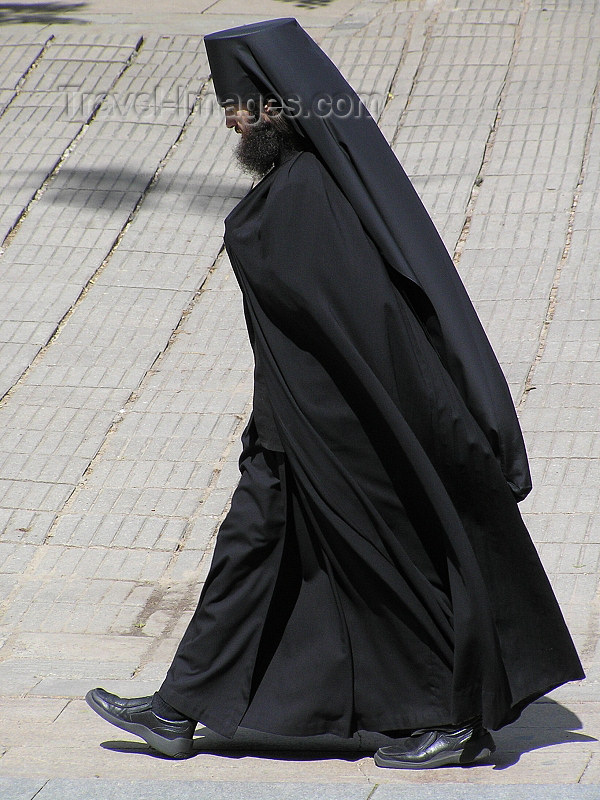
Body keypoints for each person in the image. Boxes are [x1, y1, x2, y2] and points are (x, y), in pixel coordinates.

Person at [86, 18, 584, 769]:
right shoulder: (301, 190)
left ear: (278, 106)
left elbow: (367, 334)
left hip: (351, 431)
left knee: (389, 562)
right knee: (249, 553)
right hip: (291, 426)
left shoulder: (308, 199)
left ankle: (449, 721)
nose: (228, 118)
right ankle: (179, 706)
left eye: (239, 104)